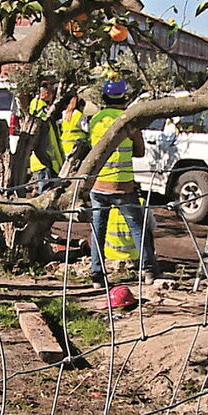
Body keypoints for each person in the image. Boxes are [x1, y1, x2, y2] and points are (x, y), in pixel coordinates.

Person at [88, 79, 159, 288]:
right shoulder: (129, 120)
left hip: (98, 185)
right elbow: (140, 151)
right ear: (125, 97)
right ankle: (148, 271)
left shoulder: (95, 120)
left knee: (97, 230)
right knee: (137, 227)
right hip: (122, 185)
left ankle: (97, 276)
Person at [28, 80, 64, 193]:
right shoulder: (38, 106)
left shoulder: (44, 108)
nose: (51, 95)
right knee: (46, 192)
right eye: (50, 91)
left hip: (49, 162)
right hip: (43, 162)